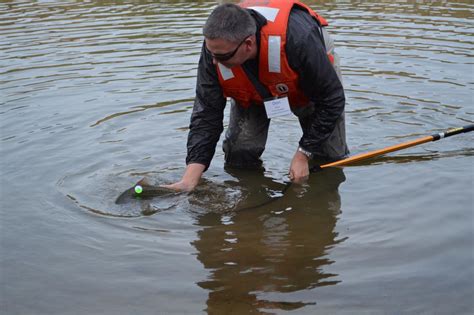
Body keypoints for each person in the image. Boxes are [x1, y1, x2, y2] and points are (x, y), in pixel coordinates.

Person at [163, 0, 349, 192]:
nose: (214, 63)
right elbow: (206, 113)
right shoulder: (217, 48)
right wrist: (189, 179)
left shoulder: (299, 39)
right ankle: (251, 199)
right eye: (212, 54)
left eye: (222, 58)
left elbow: (332, 99)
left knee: (329, 158)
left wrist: (303, 153)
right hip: (250, 90)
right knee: (240, 154)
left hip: (308, 83)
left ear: (248, 44)